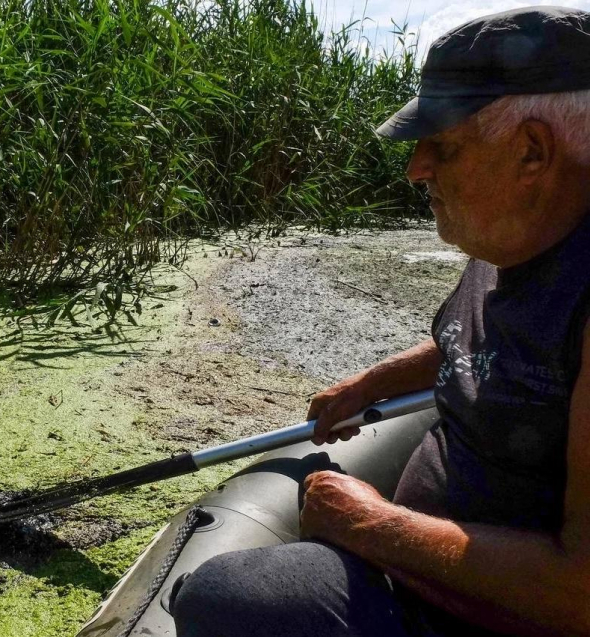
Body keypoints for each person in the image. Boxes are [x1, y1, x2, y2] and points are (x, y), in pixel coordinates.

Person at [172, 6, 590, 636]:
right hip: (421, 563)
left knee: (223, 601)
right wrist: (376, 380)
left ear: (532, 150)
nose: (415, 168)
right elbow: (479, 341)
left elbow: (579, 594)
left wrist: (373, 524)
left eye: (443, 146)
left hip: (488, 610)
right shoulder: (511, 236)